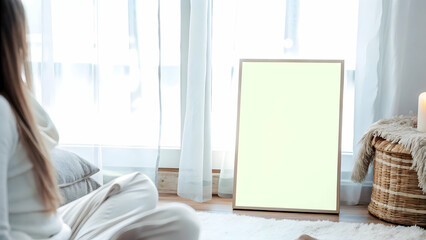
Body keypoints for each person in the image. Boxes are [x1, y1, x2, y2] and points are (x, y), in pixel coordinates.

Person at [0, 0, 200, 239]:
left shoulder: (10, 101)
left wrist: (13, 83)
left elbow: (47, 133)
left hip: (55, 225)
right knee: (183, 220)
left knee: (138, 184)